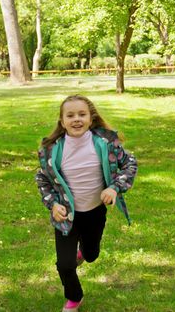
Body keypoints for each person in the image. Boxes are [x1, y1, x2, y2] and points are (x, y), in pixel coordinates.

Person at [35, 94, 137, 312]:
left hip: (94, 213)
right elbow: (42, 179)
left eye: (82, 114)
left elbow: (130, 164)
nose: (76, 119)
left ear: (91, 118)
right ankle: (74, 297)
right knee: (64, 264)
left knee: (91, 255)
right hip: (67, 217)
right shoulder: (52, 150)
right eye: (70, 115)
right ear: (62, 122)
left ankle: (84, 251)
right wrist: (53, 204)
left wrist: (114, 187)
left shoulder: (106, 144)